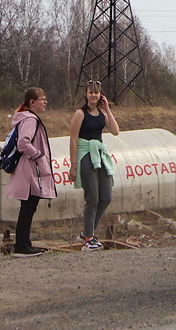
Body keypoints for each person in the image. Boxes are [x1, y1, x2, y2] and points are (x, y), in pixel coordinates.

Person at [4, 87, 56, 257]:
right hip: (29, 170)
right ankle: (22, 246)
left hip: (27, 169)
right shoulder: (30, 120)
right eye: (42, 99)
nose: (45, 102)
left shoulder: (27, 118)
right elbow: (23, 143)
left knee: (28, 207)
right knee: (28, 206)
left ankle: (24, 244)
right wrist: (38, 155)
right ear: (32, 102)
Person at [69, 80, 120, 251]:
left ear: (100, 95)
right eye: (91, 92)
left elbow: (115, 131)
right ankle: (89, 238)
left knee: (105, 196)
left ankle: (86, 231)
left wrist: (107, 109)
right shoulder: (80, 114)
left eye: (96, 93)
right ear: (86, 94)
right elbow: (73, 139)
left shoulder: (101, 114)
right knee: (92, 197)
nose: (93, 95)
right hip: (86, 154)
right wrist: (73, 165)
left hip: (99, 154)